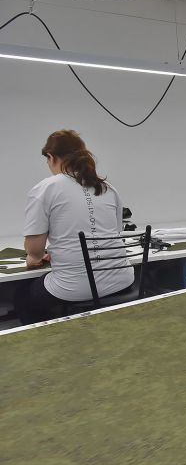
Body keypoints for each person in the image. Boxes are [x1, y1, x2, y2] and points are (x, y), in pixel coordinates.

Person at [15, 129, 135, 325]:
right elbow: (113, 234)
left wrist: (33, 258)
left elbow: (35, 251)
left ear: (51, 157)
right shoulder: (108, 188)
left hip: (75, 288)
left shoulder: (46, 188)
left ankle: (59, 338)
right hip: (122, 280)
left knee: (22, 295)